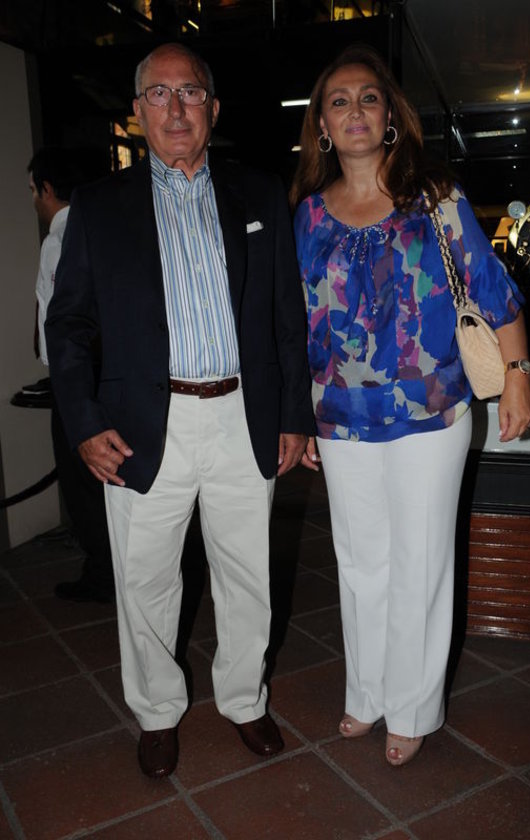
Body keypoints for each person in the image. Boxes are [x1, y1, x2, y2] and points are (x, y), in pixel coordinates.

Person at [46, 43, 314, 779]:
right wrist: (84, 421)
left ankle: (244, 699)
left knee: (248, 574)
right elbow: (68, 325)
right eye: (158, 94)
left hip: (242, 417)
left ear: (212, 108)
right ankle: (157, 713)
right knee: (145, 582)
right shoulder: (98, 207)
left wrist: (295, 413)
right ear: (137, 112)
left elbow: (287, 316)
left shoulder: (259, 193)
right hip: (140, 426)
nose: (175, 108)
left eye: (189, 92)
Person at [291, 44, 530, 766]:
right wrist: (298, 416)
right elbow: (293, 322)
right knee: (359, 560)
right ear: (322, 126)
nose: (355, 111)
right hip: (339, 416)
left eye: (368, 98)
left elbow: (492, 288)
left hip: (432, 412)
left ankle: (413, 706)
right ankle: (367, 692)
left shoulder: (435, 196)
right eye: (338, 101)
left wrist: (517, 374)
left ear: (389, 116)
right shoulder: (307, 216)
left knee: (420, 560)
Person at [27, 147, 115, 603]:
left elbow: (61, 321)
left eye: (33, 190)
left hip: (77, 380)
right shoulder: (105, 229)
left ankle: (103, 574)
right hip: (109, 377)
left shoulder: (60, 238)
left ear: (47, 188)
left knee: (83, 485)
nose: (34, 201)